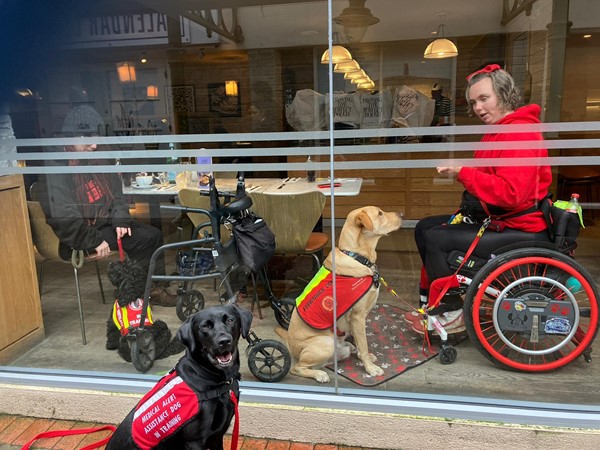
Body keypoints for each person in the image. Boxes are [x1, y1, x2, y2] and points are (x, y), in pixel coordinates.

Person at [407, 64, 553, 334]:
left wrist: (465, 173)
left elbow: (511, 194)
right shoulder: (500, 130)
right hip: (501, 219)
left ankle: (452, 313)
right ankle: (432, 303)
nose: (478, 107)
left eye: (484, 98)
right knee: (424, 227)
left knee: (437, 238)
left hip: (519, 227)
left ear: (504, 94)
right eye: (474, 102)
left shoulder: (518, 133)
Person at [41, 104, 177, 306]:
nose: (94, 145)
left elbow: (116, 194)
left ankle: (149, 290)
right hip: (78, 235)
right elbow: (62, 215)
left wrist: (120, 218)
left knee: (153, 235)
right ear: (69, 137)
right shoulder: (56, 166)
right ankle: (139, 294)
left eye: (96, 137)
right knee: (144, 240)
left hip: (101, 223)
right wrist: (93, 240)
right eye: (87, 139)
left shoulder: (95, 157)